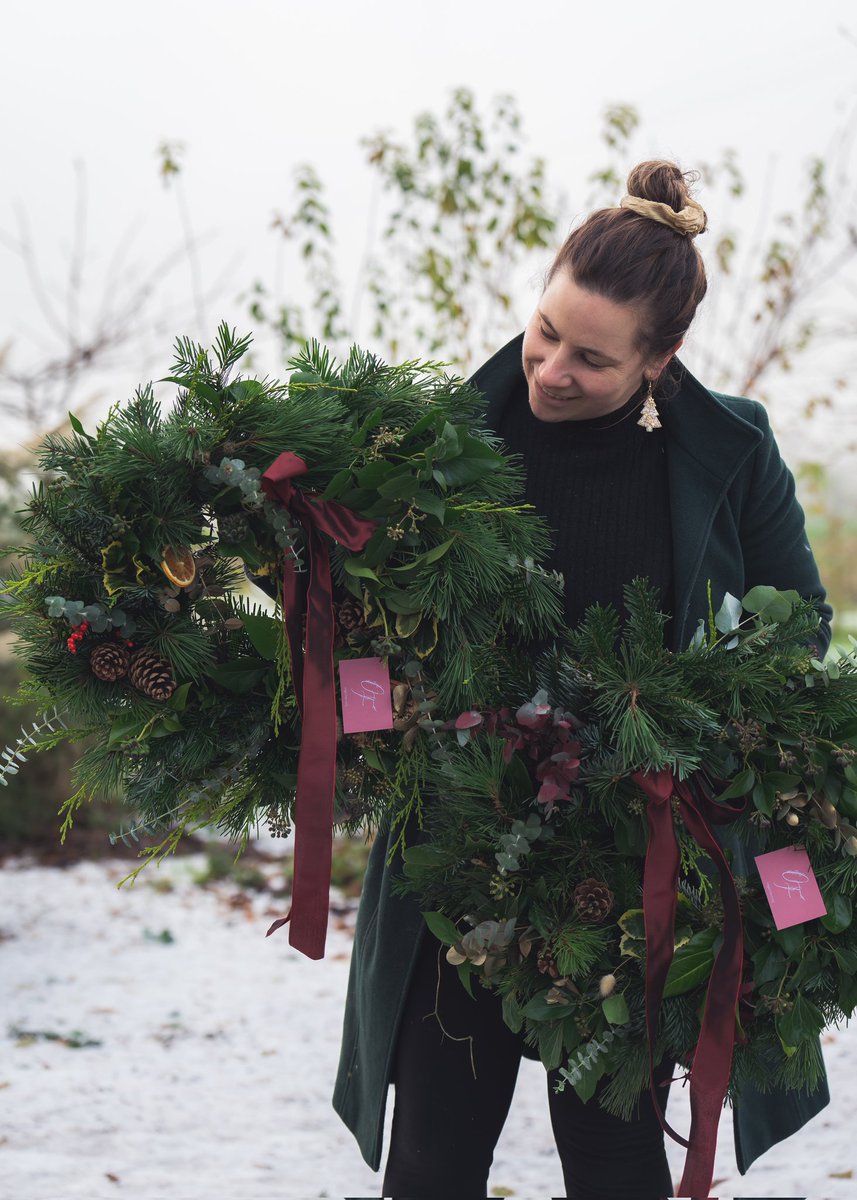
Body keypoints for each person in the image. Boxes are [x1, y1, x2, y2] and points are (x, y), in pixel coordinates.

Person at [333, 160, 832, 1200]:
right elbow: (350, 621)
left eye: (591, 359)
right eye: (543, 331)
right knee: (431, 1151)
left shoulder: (730, 455)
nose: (549, 368)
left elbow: (800, 630)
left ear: (661, 360)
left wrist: (681, 709)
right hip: (457, 854)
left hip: (629, 861)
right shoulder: (438, 440)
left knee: (611, 1159)